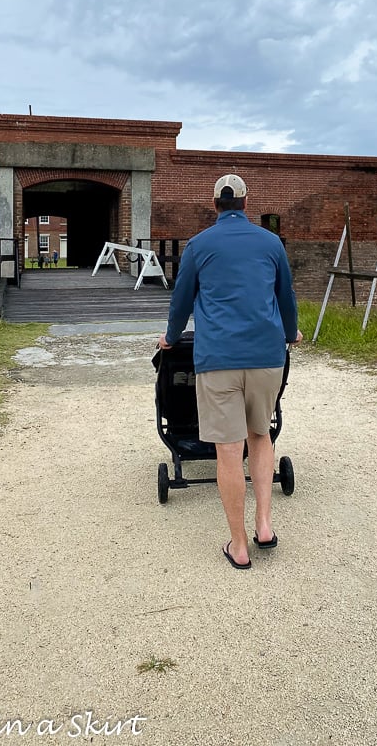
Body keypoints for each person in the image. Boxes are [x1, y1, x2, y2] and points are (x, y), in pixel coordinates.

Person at [158, 174, 302, 570]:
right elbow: (285, 296)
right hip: (265, 354)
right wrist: (290, 333)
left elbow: (181, 301)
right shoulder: (271, 243)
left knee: (227, 449)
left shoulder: (199, 245)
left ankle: (239, 545)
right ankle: (265, 525)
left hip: (219, 357)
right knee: (261, 435)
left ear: (214, 202)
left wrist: (170, 338)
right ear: (244, 201)